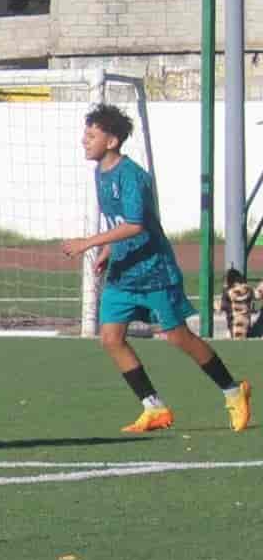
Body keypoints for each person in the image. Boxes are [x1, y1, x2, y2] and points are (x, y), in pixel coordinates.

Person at [60, 103, 248, 435]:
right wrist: (107, 250)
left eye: (91, 135)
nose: (83, 141)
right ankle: (154, 408)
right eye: (84, 134)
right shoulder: (100, 172)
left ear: (113, 141)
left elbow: (135, 225)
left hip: (153, 271)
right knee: (110, 338)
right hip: (123, 271)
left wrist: (88, 242)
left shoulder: (133, 177)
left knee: (179, 338)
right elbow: (118, 222)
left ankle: (234, 392)